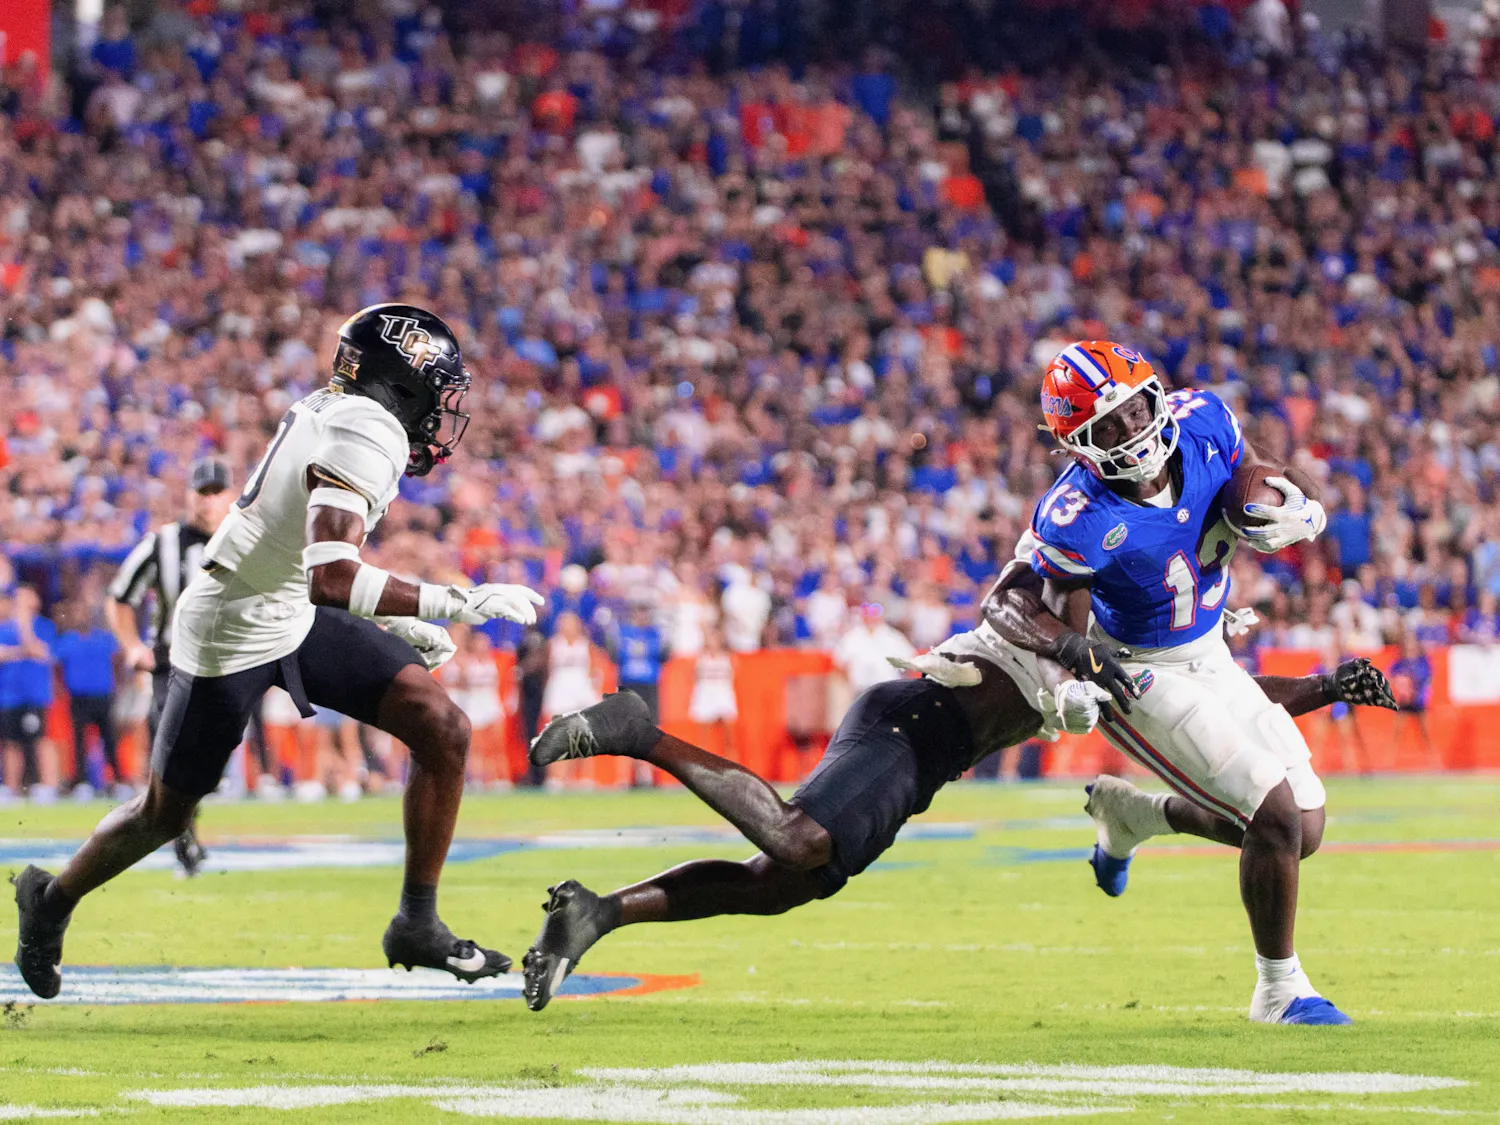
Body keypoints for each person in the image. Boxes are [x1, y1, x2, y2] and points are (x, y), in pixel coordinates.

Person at [517, 568, 1394, 1012]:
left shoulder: (1151, 644)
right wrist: (1065, 648)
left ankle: (597, 912)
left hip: (932, 751)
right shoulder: (1076, 602)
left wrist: (1323, 687)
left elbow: (1226, 716)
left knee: (779, 884)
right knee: (800, 842)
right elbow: (1015, 605)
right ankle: (638, 730)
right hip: (915, 717)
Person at [11, 303, 544, 1000]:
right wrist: (452, 602)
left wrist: (397, 622)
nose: (441, 415)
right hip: (231, 626)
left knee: (441, 725)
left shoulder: (340, 405)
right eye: (436, 392)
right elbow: (335, 573)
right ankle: (49, 900)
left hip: (289, 606)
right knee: (164, 815)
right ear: (400, 383)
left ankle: (417, 920)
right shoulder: (369, 429)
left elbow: (314, 561)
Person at [996, 340, 1359, 1025]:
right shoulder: (1078, 514)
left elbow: (1252, 478)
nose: (1131, 429)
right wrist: (1072, 674)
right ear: (1079, 444)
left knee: (1303, 828)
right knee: (1274, 813)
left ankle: (1136, 816)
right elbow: (1055, 614)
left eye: (1133, 410)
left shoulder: (1205, 421)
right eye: (1108, 426)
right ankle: (1280, 989)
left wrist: (1292, 505)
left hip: (1211, 651)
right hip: (1138, 671)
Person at [104, 456, 238, 873]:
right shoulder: (162, 543)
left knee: (209, 755)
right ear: (189, 495)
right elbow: (120, 596)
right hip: (172, 662)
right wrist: (130, 646)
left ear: (230, 497)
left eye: (217, 492)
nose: (209, 501)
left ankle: (183, 816)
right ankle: (181, 828)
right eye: (202, 492)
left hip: (229, 665)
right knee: (175, 743)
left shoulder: (245, 541)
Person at [51, 601, 124, 799]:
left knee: (108, 738)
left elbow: (118, 660)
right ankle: (80, 780)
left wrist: (117, 684)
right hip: (79, 697)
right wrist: (60, 688)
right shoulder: (67, 640)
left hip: (101, 694)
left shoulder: (103, 638)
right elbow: (56, 666)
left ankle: (116, 779)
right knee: (78, 739)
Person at [0, 587, 58, 802]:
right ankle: (11, 787)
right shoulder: (5, 628)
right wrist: (22, 651)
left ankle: (49, 785)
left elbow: (40, 651)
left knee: (41, 739)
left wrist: (24, 629)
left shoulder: (44, 626)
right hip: (9, 695)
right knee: (11, 741)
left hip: (35, 695)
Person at [687, 625, 737, 754]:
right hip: (706, 695)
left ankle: (731, 765)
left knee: (729, 736)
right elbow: (694, 677)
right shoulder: (701, 657)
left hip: (723, 695)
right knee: (703, 736)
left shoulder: (728, 657)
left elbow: (734, 674)